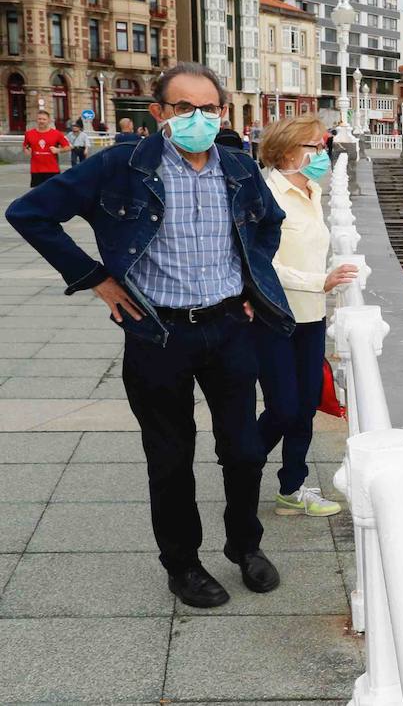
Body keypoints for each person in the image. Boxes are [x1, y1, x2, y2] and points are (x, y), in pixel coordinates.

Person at [6, 62, 293, 609]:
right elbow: (30, 213)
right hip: (157, 332)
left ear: (222, 113)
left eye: (208, 108)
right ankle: (183, 565)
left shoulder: (237, 166)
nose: (198, 118)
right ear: (160, 112)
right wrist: (96, 279)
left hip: (229, 327)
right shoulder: (121, 166)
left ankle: (245, 545)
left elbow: (269, 222)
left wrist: (252, 285)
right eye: (184, 108)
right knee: (170, 456)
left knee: (244, 449)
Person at [255, 116, 355, 520]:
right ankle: (241, 464)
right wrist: (320, 281)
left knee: (306, 405)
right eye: (315, 146)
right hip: (274, 317)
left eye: (323, 144)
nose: (323, 153)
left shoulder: (312, 191)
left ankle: (292, 488)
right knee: (283, 407)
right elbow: (262, 262)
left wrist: (327, 279)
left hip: (311, 317)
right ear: (286, 153)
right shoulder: (266, 196)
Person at [23, 110, 70, 188]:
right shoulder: (29, 134)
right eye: (39, 119)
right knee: (38, 192)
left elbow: (68, 147)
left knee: (53, 192)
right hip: (36, 170)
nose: (41, 121)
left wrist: (58, 150)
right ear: (36, 120)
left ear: (49, 120)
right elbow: (25, 146)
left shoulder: (57, 134)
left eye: (44, 119)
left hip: (52, 169)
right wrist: (26, 151)